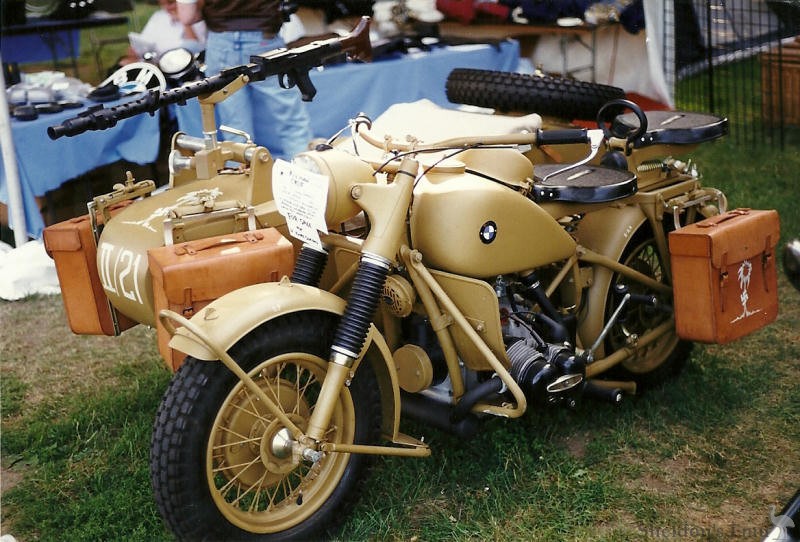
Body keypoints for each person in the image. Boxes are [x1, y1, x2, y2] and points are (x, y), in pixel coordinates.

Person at [176, 0, 313, 159]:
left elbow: (187, 17)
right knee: (291, 119)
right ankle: (305, 172)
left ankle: (242, 177)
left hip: (221, 39)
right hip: (264, 36)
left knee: (235, 129)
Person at [121, 0, 207, 65]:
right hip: (152, 61)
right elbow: (145, 40)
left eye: (171, 2)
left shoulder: (195, 18)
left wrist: (184, 22)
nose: (167, 8)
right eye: (163, 4)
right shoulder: (159, 16)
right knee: (123, 63)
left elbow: (197, 48)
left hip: (177, 65)